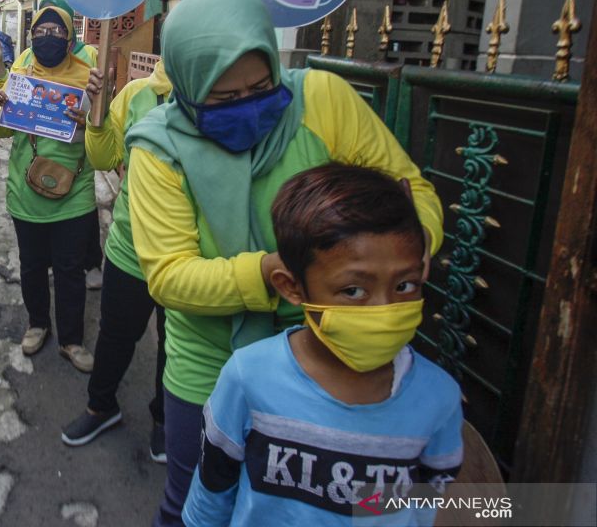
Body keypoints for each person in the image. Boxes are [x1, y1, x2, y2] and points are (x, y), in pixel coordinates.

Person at [125, 0, 443, 526]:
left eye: (262, 85)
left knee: (311, 505)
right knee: (193, 501)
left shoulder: (322, 99)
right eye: (224, 99)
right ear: (185, 88)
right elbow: (170, 276)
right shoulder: (160, 147)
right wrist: (271, 272)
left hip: (336, 350)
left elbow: (410, 194)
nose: (250, 105)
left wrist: (407, 254)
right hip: (210, 363)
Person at [183, 162, 463, 526]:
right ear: (292, 287)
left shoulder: (438, 397)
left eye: (405, 285)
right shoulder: (249, 377)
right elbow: (213, 489)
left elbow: (432, 498)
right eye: (354, 291)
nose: (385, 309)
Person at [61, 57, 171, 462]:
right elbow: (104, 159)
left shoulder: (224, 99)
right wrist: (98, 115)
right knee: (116, 334)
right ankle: (100, 406)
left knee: (174, 345)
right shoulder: (138, 94)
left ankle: (165, 420)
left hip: (192, 257)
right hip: (131, 247)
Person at [0, 4, 97, 372]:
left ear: (70, 37)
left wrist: (94, 119)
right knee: (31, 265)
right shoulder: (21, 69)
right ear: (31, 35)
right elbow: (3, 131)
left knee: (69, 269)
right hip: (26, 188)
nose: (47, 38)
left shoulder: (88, 74)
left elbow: (104, 139)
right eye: (40, 31)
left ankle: (71, 340)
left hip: (75, 189)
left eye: (56, 31)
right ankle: (37, 324)